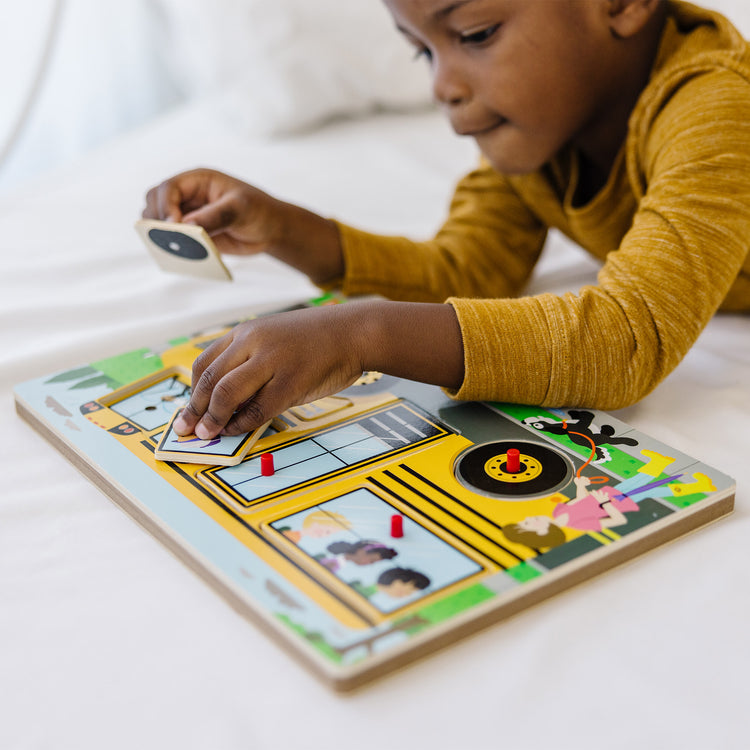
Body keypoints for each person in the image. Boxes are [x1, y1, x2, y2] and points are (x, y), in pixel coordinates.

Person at [143, 0, 750, 441]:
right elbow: (464, 269)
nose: (444, 85)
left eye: (476, 33)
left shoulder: (720, 108)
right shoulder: (542, 132)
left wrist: (359, 336)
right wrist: (281, 227)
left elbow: (625, 341)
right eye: (423, 50)